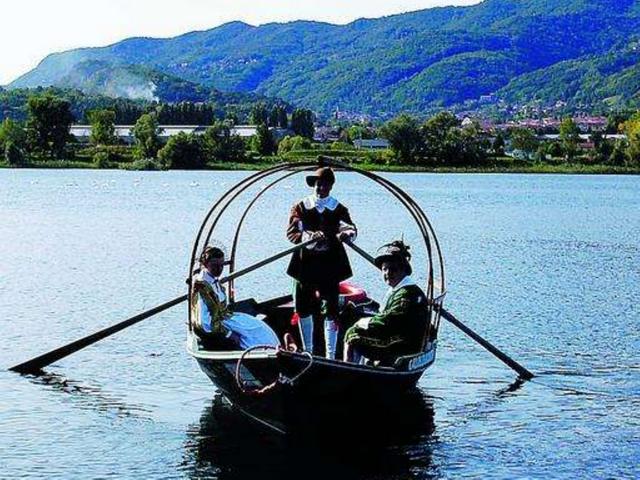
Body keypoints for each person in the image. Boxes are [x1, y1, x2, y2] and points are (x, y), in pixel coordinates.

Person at [286, 166, 357, 359]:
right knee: (302, 306)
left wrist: (348, 233)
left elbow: (349, 227)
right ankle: (308, 351)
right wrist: (308, 237)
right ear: (314, 186)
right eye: (318, 184)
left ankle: (331, 355)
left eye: (325, 185)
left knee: (331, 308)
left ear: (331, 186)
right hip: (304, 264)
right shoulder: (301, 207)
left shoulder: (338, 208)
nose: (321, 188)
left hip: (329, 265)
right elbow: (293, 233)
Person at [344, 241, 429, 365]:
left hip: (405, 343)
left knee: (352, 334)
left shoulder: (406, 293)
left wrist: (364, 323)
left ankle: (349, 368)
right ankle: (363, 364)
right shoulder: (401, 290)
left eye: (393, 269)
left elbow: (390, 321)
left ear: (403, 270)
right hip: (401, 335)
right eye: (385, 269)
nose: (388, 273)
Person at [191, 246, 280, 349]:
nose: (219, 269)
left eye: (221, 265)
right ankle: (258, 350)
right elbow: (204, 322)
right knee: (251, 335)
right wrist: (229, 334)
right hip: (217, 324)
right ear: (205, 264)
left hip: (226, 317)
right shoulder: (202, 286)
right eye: (214, 266)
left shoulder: (214, 281)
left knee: (259, 328)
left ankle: (272, 347)